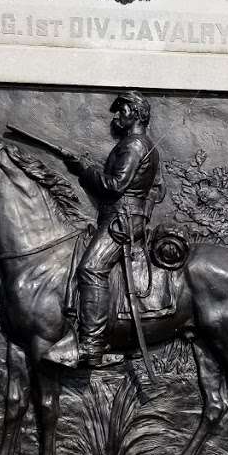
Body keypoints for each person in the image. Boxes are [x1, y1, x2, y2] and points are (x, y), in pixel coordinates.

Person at [52, 91, 163, 369]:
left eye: (122, 110)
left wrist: (84, 170)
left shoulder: (135, 145)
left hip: (121, 220)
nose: (117, 116)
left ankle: (92, 346)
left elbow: (114, 185)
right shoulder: (137, 144)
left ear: (136, 113)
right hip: (123, 217)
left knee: (91, 269)